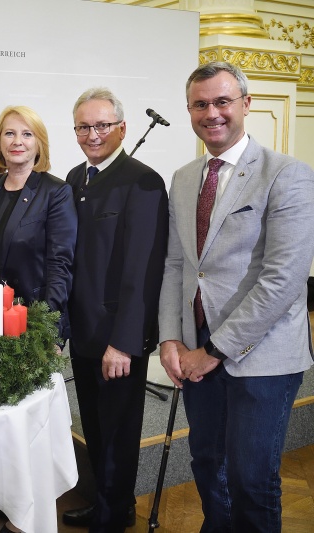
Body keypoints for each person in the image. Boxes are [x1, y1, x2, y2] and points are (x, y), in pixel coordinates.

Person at [158, 61, 314, 533]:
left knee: (251, 480)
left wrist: (212, 351)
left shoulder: (287, 174)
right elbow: (176, 264)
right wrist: (170, 338)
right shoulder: (185, 177)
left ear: (246, 104)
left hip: (262, 355)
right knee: (208, 464)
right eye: (200, 104)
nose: (212, 113)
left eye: (222, 101)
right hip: (195, 348)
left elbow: (282, 280)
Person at [62, 89, 168, 532]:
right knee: (95, 429)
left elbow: (144, 270)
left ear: (122, 129)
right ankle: (111, 505)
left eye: (102, 125)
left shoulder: (143, 182)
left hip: (117, 339)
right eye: (84, 127)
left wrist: (124, 343)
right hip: (84, 333)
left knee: (119, 436)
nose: (93, 134)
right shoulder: (75, 177)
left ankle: (112, 518)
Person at [0, 106, 76, 344]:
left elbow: (60, 265)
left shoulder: (56, 192)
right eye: (9, 133)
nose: (17, 141)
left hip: (31, 321)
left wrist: (50, 330)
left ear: (39, 143)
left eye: (27, 134)